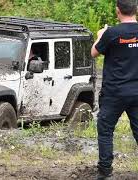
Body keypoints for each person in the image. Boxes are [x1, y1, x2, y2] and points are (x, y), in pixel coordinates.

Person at [91, 0, 138, 179]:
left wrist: (100, 35)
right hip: (137, 91)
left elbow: (93, 53)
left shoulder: (111, 33)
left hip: (114, 93)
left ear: (118, 11)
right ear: (136, 10)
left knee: (105, 131)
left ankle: (105, 172)